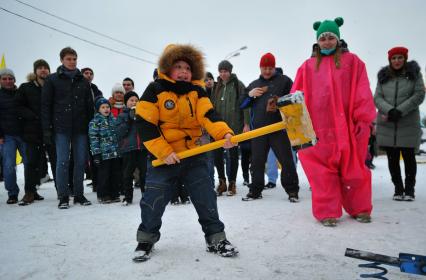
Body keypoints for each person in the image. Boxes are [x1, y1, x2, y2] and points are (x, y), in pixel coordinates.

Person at [133, 43, 238, 262]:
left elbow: (209, 115)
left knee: (205, 196)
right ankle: (146, 239)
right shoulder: (155, 90)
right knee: (154, 198)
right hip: (164, 158)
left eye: (188, 68)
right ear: (167, 68)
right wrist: (164, 152)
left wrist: (224, 135)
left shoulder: (197, 91)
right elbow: (145, 123)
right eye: (178, 66)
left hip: (193, 155)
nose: (183, 72)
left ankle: (216, 238)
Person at [291, 17, 376, 226]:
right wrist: (295, 123)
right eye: (323, 38)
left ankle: (360, 209)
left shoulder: (354, 62)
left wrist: (363, 119)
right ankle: (327, 212)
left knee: (355, 169)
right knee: (321, 172)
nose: (327, 42)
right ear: (317, 42)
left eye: (331, 37)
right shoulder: (307, 67)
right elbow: (296, 96)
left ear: (338, 39)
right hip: (319, 129)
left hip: (347, 126)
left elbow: (363, 91)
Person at [240, 53, 300, 202]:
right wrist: (250, 95)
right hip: (259, 130)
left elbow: (295, 99)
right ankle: (255, 191)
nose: (267, 71)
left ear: (274, 67)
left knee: (286, 161)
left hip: (278, 128)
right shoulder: (254, 84)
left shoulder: (284, 81)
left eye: (270, 68)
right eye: (264, 68)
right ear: (260, 68)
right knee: (257, 162)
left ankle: (292, 191)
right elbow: (241, 104)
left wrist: (281, 101)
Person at [42, 47, 93, 209]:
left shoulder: (83, 81)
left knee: (80, 162)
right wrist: (47, 129)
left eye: (74, 59)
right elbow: (46, 106)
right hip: (61, 127)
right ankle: (63, 196)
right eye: (69, 59)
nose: (72, 62)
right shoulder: (52, 80)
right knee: (62, 162)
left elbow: (89, 106)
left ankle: (79, 194)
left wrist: (90, 126)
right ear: (62, 60)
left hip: (80, 128)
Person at [374, 46, 425, 201]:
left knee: (409, 158)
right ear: (389, 60)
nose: (397, 61)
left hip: (407, 123)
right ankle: (398, 189)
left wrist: (400, 111)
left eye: (400, 57)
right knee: (392, 159)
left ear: (405, 58)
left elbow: (419, 95)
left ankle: (409, 190)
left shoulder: (414, 75)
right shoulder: (383, 77)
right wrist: (390, 111)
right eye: (394, 58)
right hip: (388, 124)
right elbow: (377, 97)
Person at [16, 59, 55, 205]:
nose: (43, 70)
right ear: (35, 71)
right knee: (31, 162)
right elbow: (18, 106)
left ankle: (62, 192)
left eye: (46, 68)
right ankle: (29, 192)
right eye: (40, 68)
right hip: (32, 131)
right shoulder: (26, 87)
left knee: (55, 162)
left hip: (51, 131)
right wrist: (33, 116)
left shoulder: (52, 86)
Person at [211, 60, 250, 196]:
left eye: (225, 71)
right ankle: (222, 182)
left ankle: (232, 183)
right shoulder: (216, 87)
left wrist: (246, 123)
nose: (223, 74)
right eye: (221, 71)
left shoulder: (238, 85)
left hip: (234, 127)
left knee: (233, 156)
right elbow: (211, 107)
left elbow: (245, 105)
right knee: (217, 156)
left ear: (230, 71)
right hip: (218, 128)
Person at [0, 68, 28, 204]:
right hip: (7, 136)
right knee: (9, 165)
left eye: (10, 78)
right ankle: (12, 193)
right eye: (4, 78)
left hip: (24, 134)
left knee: (30, 163)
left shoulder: (21, 93)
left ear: (14, 80)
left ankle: (31, 191)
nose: (7, 81)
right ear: (0, 81)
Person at [117, 91, 147, 205]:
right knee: (127, 174)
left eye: (136, 100)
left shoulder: (142, 114)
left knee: (145, 172)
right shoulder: (122, 115)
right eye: (131, 100)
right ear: (126, 103)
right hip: (128, 149)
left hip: (142, 148)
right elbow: (120, 132)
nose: (134, 102)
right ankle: (127, 196)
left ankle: (146, 194)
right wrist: (129, 119)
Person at [88, 97, 121, 203]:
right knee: (104, 175)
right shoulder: (95, 122)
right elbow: (94, 139)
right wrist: (96, 154)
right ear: (98, 109)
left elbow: (118, 136)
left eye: (107, 107)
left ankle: (114, 193)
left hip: (115, 153)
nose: (106, 109)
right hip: (103, 154)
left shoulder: (114, 120)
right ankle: (103, 195)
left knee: (115, 174)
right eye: (103, 107)